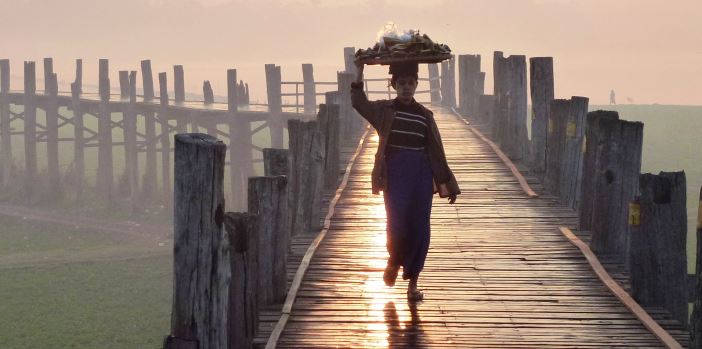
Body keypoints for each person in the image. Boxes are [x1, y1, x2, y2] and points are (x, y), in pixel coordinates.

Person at [350, 60, 460, 302]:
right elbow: (358, 103)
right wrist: (359, 71)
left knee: (420, 230)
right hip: (395, 175)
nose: (407, 88)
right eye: (402, 83)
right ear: (394, 85)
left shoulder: (425, 116)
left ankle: (413, 285)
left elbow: (436, 152)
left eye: (411, 83)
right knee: (397, 224)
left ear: (416, 85)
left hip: (421, 175)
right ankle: (393, 262)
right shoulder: (384, 111)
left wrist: (448, 183)